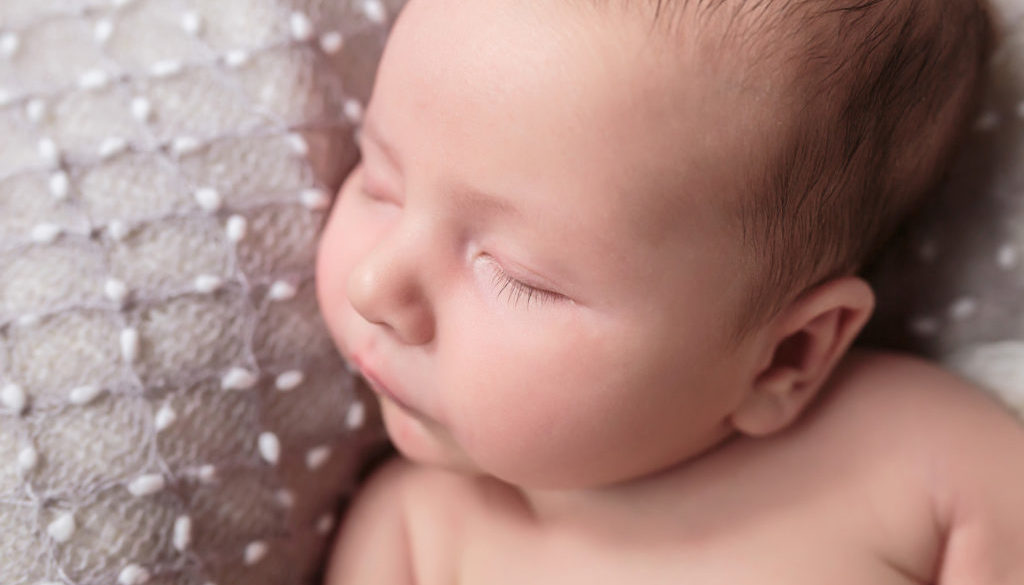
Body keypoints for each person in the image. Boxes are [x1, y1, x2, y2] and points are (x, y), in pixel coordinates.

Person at [316, 0, 1024, 582]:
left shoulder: (924, 464)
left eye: (516, 275)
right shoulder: (415, 538)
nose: (374, 284)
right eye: (379, 183)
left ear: (788, 355)